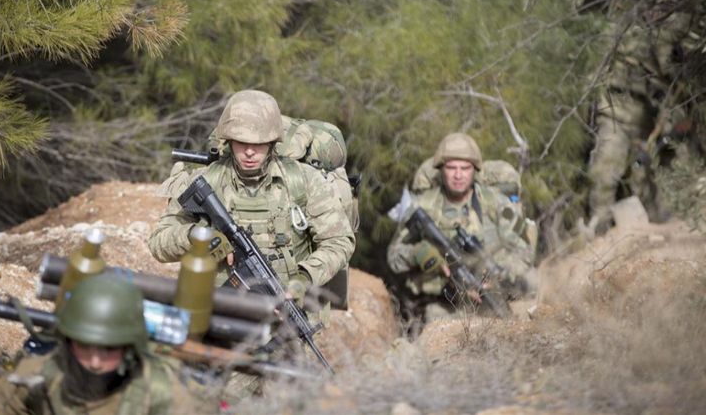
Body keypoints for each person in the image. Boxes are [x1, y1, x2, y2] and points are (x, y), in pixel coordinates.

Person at [147, 89, 355, 397]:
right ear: (228, 139)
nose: (249, 152)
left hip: (287, 317)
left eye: (258, 144)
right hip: (222, 316)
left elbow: (339, 241)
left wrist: (303, 278)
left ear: (273, 142)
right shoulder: (206, 180)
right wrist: (197, 237)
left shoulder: (304, 182)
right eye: (242, 142)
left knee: (296, 398)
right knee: (213, 396)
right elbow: (158, 242)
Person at [584, 0, 703, 234]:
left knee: (643, 173)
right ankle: (599, 229)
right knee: (605, 171)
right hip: (615, 115)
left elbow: (667, 83)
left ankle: (659, 227)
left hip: (644, 119)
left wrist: (670, 121)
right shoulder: (621, 30)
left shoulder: (663, 37)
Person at [0, 275, 205, 414]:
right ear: (68, 340)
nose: (95, 362)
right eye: (84, 346)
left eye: (109, 349)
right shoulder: (34, 377)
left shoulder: (162, 392)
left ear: (129, 347)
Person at [387, 133, 536, 322]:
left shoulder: (499, 204)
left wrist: (498, 275)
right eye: (451, 168)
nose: (458, 175)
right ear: (441, 169)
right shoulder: (422, 206)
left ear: (475, 170)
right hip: (444, 305)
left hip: (496, 295)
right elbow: (394, 256)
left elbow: (525, 251)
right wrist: (418, 253)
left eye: (465, 168)